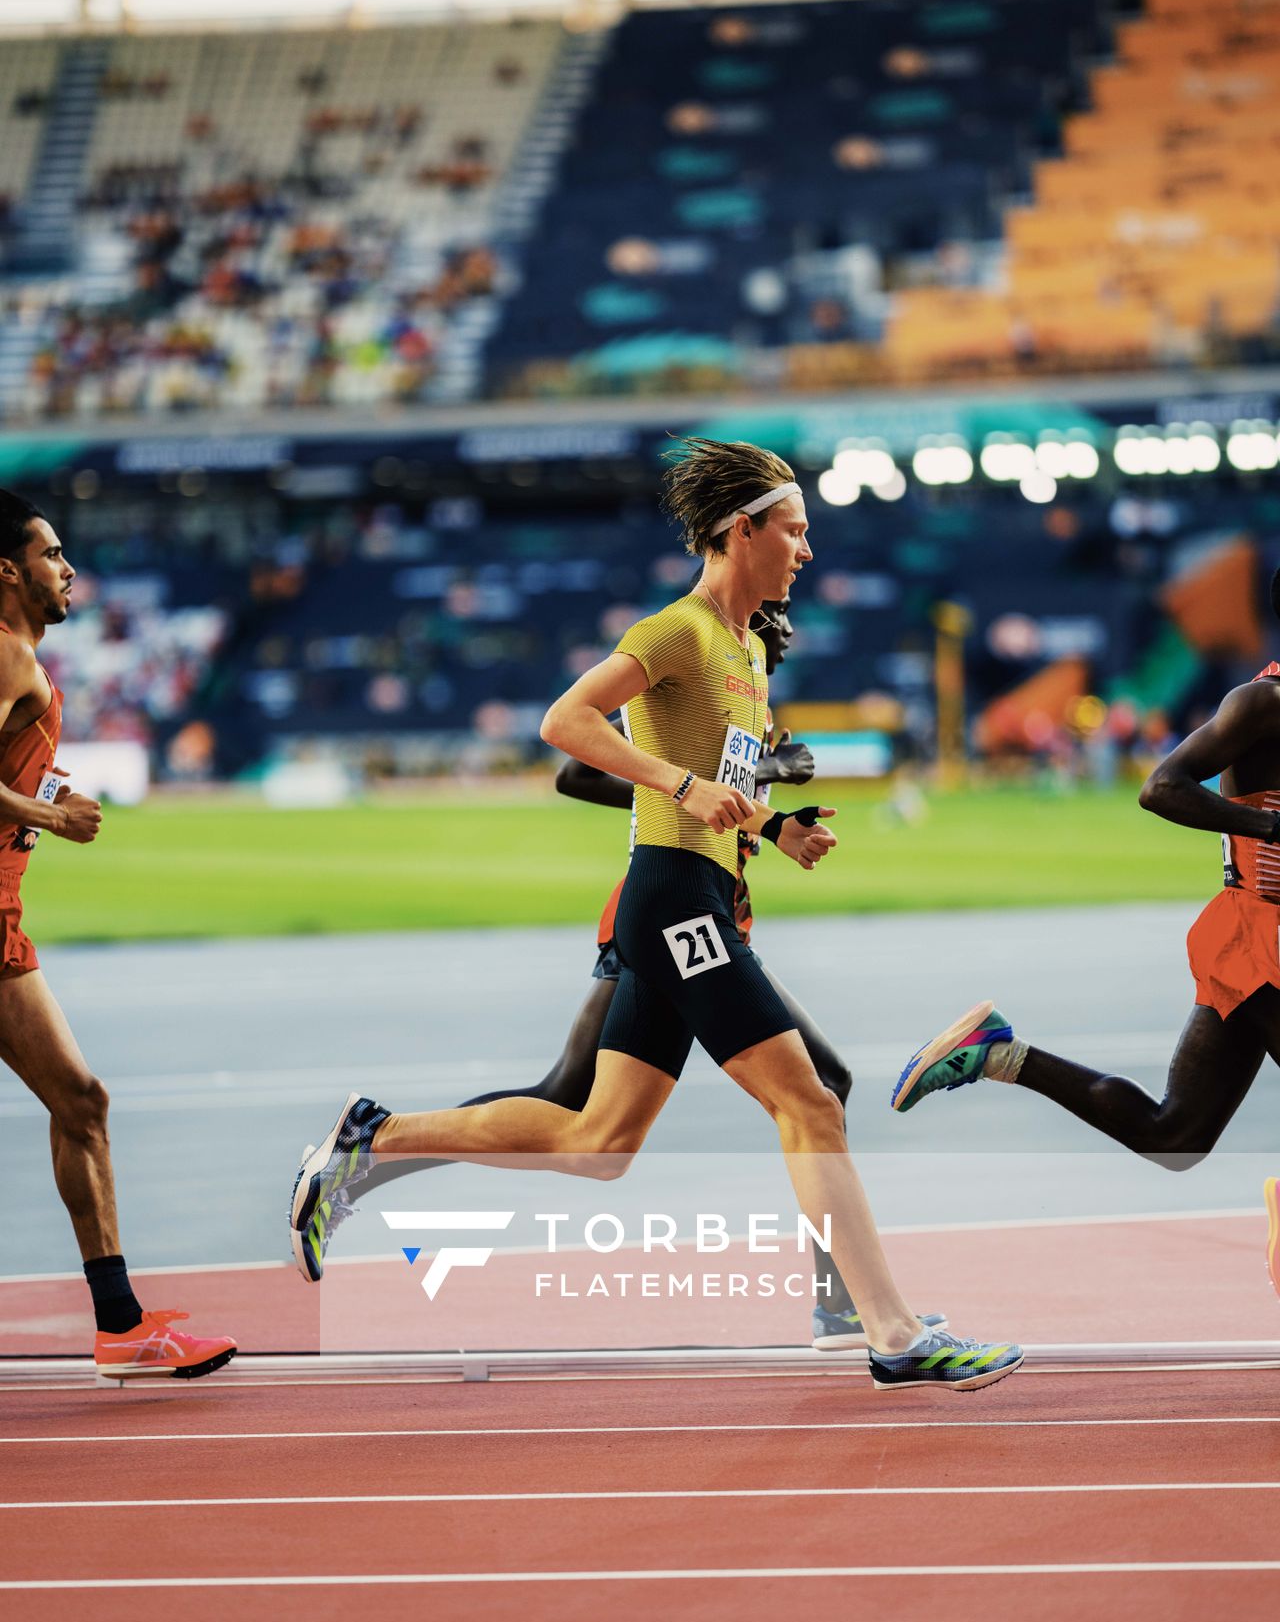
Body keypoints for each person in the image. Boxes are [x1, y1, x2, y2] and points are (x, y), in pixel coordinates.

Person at [291, 437, 1020, 1391]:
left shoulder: (749, 651)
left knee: (598, 1144)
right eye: (794, 531)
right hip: (672, 894)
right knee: (808, 1098)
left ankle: (370, 1138)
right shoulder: (676, 630)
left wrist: (776, 826)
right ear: (741, 530)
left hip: (699, 891)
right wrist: (678, 781)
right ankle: (886, 1330)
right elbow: (566, 724)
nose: (808, 550)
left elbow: (724, 783)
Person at [343, 596, 945, 1350]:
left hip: (711, 914)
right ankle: (374, 1149)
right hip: (656, 914)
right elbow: (575, 768)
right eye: (770, 632)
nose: (776, 646)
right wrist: (730, 777)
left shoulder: (745, 695)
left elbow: (727, 803)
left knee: (610, 1135)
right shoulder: (687, 673)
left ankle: (376, 1144)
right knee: (591, 1100)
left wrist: (765, 790)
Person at [893, 574, 1280, 1302]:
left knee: (1174, 1136)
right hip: (1262, 937)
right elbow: (1161, 786)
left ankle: (1002, 1055)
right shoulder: (1263, 702)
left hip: (1260, 941)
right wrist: (1270, 827)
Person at [0, 490, 236, 1380]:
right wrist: (47, 818)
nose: (69, 570)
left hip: (2, 912)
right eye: (52, 554)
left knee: (81, 1102)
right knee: (82, 1102)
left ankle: (121, 1322)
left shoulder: (22, 659)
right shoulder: (7, 655)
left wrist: (36, 805)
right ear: (8, 570)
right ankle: (123, 1324)